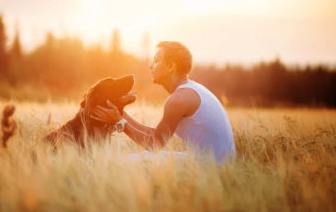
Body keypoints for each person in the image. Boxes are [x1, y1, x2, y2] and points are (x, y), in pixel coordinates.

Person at [90, 41, 236, 165]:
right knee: (137, 159)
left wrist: (119, 122)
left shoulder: (178, 100)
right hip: (218, 162)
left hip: (213, 168)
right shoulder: (191, 90)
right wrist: (121, 114)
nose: (150, 65)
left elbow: (154, 145)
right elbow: (156, 135)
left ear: (171, 67)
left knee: (128, 162)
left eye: (156, 60)